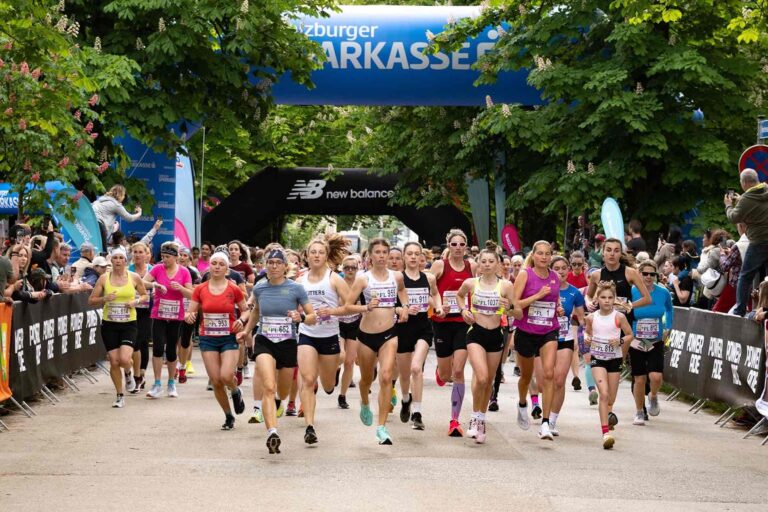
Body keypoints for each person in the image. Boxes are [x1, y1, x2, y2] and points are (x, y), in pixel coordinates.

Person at [238, 247, 316, 454]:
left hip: (288, 342)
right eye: (270, 263)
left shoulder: (296, 289)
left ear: (284, 267)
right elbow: (256, 313)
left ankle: (280, 403)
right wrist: (247, 332)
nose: (273, 266)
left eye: (278, 263)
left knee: (281, 390)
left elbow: (313, 316)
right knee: (269, 387)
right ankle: (272, 432)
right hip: (264, 340)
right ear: (265, 265)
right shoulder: (260, 288)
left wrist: (301, 318)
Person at [346, 238, 409, 445]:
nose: (382, 256)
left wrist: (405, 306)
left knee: (386, 377)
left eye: (385, 252)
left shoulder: (396, 276)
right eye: (378, 252)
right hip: (365, 336)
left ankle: (381, 428)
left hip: (389, 334)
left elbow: (401, 291)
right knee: (366, 379)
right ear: (370, 256)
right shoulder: (363, 279)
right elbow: (348, 305)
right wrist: (366, 307)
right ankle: (364, 402)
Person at [455, 246, 516, 443]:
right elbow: (459, 295)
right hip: (476, 334)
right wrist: (464, 310)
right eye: (484, 261)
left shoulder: (506, 286)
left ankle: (481, 419)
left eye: (491, 261)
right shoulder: (471, 283)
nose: (487, 265)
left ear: (498, 264)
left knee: (488, 380)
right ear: (478, 264)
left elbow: (518, 313)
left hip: (496, 335)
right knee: (481, 377)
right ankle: (474, 417)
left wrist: (510, 308)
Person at [296, 234, 351, 444]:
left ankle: (333, 374)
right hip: (307, 334)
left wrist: (333, 312)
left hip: (329, 336)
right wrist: (296, 311)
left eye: (320, 252)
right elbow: (292, 305)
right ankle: (309, 427)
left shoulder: (334, 279)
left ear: (327, 255)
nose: (317, 255)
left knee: (328, 386)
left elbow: (349, 307)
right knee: (309, 380)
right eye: (313, 252)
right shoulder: (299, 280)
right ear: (307, 256)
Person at [185, 251, 249, 430]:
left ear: (227, 268)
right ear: (209, 266)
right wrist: (188, 316)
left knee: (226, 375)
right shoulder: (200, 289)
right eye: (214, 263)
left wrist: (241, 320)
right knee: (216, 380)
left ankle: (236, 391)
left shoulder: (233, 288)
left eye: (222, 264)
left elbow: (245, 310)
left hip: (229, 336)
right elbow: (191, 311)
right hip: (208, 338)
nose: (217, 266)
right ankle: (229, 415)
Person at [429, 228, 476, 437]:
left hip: (463, 322)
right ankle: (440, 372)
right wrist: (438, 306)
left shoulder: (472, 266)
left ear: (466, 247)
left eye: (461, 244)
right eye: (453, 244)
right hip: (442, 322)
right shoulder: (440, 265)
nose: (457, 248)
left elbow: (479, 289)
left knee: (458, 371)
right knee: (447, 373)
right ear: (448, 246)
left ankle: (455, 420)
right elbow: (428, 289)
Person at [512, 240, 561, 440]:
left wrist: (558, 309)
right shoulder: (525, 275)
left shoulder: (555, 277)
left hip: (549, 330)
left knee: (549, 374)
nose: (544, 257)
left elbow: (554, 301)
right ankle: (523, 402)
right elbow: (514, 305)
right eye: (540, 253)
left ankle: (546, 423)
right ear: (533, 255)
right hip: (526, 330)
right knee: (526, 376)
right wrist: (537, 296)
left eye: (547, 254)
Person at [88, 247, 148, 408]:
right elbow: (91, 300)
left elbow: (144, 295)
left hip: (129, 324)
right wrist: (105, 298)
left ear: (126, 260)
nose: (118, 261)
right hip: (109, 324)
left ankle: (128, 373)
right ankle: (120, 395)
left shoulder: (134, 277)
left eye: (121, 258)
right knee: (114, 361)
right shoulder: (103, 279)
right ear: (111, 261)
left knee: (123, 359)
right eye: (115, 258)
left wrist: (135, 302)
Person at [396, 242, 443, 430]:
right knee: (405, 373)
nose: (414, 257)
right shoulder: (398, 279)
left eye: (417, 254)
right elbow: (392, 303)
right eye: (410, 254)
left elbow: (436, 294)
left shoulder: (429, 278)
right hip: (402, 328)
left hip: (423, 328)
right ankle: (406, 399)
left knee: (417, 368)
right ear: (404, 257)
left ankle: (417, 412)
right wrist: (402, 309)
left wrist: (438, 307)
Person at [585, 281, 634, 449]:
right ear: (597, 299)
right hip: (597, 358)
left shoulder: (619, 317)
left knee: (611, 398)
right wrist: (586, 337)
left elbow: (630, 335)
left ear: (614, 299)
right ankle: (605, 433)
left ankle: (608, 416)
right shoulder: (592, 317)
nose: (606, 300)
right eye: (603, 297)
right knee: (604, 394)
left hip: (614, 359)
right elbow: (587, 332)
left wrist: (619, 341)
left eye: (610, 297)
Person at [142, 242, 193, 399]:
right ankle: (157, 383)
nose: (164, 259)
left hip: (176, 316)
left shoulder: (184, 272)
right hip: (159, 314)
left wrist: (180, 288)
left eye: (168, 257)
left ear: (176, 257)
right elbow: (142, 282)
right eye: (163, 256)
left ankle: (171, 382)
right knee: (157, 348)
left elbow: (191, 295)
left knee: (171, 350)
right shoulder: (157, 269)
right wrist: (154, 284)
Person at [630, 260, 673, 426]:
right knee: (639, 378)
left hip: (655, 339)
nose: (648, 277)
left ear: (657, 275)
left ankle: (653, 396)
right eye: (645, 274)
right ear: (639, 274)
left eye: (652, 274)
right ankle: (639, 412)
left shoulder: (663, 293)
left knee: (656, 376)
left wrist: (668, 327)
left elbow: (670, 310)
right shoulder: (633, 292)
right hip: (637, 340)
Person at [549, 256, 585, 436]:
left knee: (559, 379)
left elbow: (582, 317)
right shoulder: (544, 289)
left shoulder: (574, 293)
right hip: (545, 337)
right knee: (545, 379)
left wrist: (587, 329)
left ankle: (552, 420)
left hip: (565, 339)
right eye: (556, 268)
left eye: (564, 268)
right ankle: (538, 406)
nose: (561, 271)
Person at [725, 169, 768, 316]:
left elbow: (734, 217)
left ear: (744, 182)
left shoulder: (746, 199)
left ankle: (740, 310)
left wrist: (728, 205)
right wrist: (741, 200)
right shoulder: (765, 190)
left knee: (745, 276)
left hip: (758, 241)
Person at [338, 255, 362, 410]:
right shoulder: (337, 283)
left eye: (353, 267)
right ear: (342, 269)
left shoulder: (361, 284)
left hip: (354, 324)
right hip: (338, 323)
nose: (350, 270)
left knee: (349, 362)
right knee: (340, 356)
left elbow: (362, 305)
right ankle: (334, 371)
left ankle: (342, 395)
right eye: (347, 267)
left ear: (357, 268)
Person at [128, 241, 153, 392]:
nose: (137, 255)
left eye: (140, 252)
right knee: (135, 343)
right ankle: (138, 374)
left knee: (141, 341)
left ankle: (139, 374)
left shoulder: (153, 270)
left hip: (148, 311)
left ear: (146, 254)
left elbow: (159, 286)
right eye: (135, 252)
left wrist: (155, 289)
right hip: (131, 310)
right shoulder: (128, 270)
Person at [177, 248, 202, 383]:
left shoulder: (193, 272)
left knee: (186, 338)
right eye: (180, 255)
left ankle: (187, 362)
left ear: (189, 259)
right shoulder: (172, 270)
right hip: (176, 308)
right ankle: (178, 363)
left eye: (185, 255)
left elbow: (197, 291)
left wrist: (186, 288)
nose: (182, 257)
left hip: (190, 307)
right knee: (177, 338)